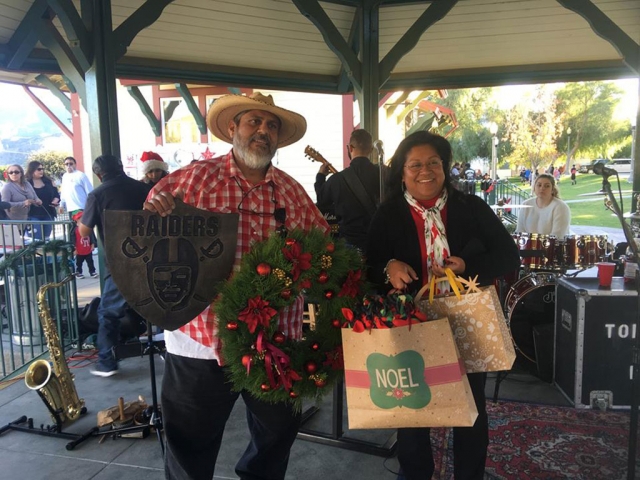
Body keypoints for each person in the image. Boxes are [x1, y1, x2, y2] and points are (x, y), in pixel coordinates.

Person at [143, 92, 329, 480]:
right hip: (200, 339)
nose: (263, 131)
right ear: (233, 129)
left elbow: (322, 246)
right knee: (190, 443)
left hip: (273, 342)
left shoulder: (292, 192)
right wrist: (155, 210)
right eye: (254, 122)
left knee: (278, 430)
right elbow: (151, 215)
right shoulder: (195, 178)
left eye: (271, 125)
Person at [365, 131, 520, 480]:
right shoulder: (388, 213)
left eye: (433, 162)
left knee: (470, 408)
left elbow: (509, 255)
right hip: (410, 325)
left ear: (445, 167)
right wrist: (388, 267)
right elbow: (367, 265)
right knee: (412, 407)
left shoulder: (471, 208)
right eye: (415, 165)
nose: (426, 171)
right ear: (402, 172)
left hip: (468, 323)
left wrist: (467, 266)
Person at [78, 155, 152, 377]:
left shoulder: (98, 194)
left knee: (108, 312)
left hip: (121, 261)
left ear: (99, 174)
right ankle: (174, 354)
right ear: (121, 168)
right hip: (151, 256)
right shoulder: (143, 188)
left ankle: (106, 362)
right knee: (158, 306)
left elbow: (84, 231)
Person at [315, 129, 381, 251]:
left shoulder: (337, 179)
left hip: (350, 244)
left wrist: (321, 176)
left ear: (350, 148)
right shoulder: (383, 174)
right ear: (371, 149)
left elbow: (321, 200)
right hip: (379, 242)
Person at [516, 172, 571, 238]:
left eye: (547, 186)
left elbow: (558, 236)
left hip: (553, 247)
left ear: (552, 189)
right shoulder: (526, 205)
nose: (542, 188)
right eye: (539, 185)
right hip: (527, 246)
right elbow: (520, 231)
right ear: (534, 187)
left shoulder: (561, 207)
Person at [25, 160, 60, 240]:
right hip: (32, 215)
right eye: (39, 169)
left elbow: (56, 194)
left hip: (48, 213)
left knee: (46, 239)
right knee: (36, 239)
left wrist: (56, 200)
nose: (41, 171)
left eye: (42, 169)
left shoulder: (49, 181)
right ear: (32, 170)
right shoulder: (26, 183)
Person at [71, 211, 97, 279]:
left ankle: (92, 271)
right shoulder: (75, 230)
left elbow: (92, 236)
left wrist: (93, 244)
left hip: (88, 249)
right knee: (79, 263)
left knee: (90, 262)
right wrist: (74, 248)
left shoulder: (88, 228)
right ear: (77, 221)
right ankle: (78, 272)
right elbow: (73, 240)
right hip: (79, 250)